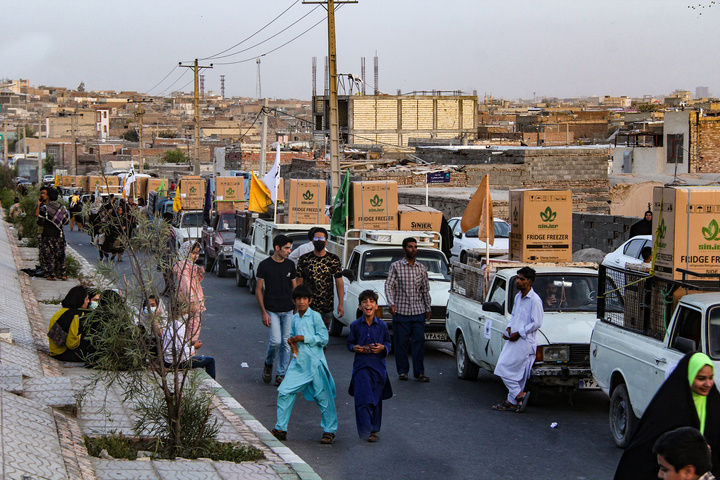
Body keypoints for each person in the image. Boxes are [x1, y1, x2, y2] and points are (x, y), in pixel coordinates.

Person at [615, 352, 720, 480]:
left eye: (711, 378)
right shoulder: (667, 410)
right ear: (688, 377)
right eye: (701, 378)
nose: (708, 384)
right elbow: (641, 456)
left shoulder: (714, 405)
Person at [271, 285, 338, 445]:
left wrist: (304, 338)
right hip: (298, 363)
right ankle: (281, 428)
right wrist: (292, 339)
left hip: (315, 364)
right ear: (294, 301)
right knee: (284, 391)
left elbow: (323, 338)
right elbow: (293, 336)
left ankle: (329, 430)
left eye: (304, 299)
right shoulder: (294, 318)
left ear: (310, 301)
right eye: (298, 299)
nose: (301, 302)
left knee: (323, 397)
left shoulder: (315, 317)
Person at [492, 266, 543, 412]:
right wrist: (508, 328)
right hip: (514, 337)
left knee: (502, 367)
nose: (518, 281)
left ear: (530, 282)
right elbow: (514, 316)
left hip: (525, 340)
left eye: (522, 279)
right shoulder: (517, 297)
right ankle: (512, 400)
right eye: (518, 278)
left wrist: (519, 332)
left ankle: (520, 395)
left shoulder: (535, 300)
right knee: (516, 373)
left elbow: (537, 323)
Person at [347, 289, 392, 442]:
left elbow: (388, 344)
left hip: (378, 368)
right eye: (365, 302)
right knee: (362, 398)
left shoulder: (382, 326)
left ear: (376, 306)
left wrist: (382, 348)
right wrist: (355, 348)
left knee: (375, 399)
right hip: (361, 367)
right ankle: (365, 430)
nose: (368, 304)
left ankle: (374, 429)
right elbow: (349, 343)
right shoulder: (355, 325)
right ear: (360, 306)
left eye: (371, 301)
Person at [385, 237, 431, 382]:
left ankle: (419, 372)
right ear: (404, 249)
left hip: (418, 312)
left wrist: (428, 308)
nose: (413, 249)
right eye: (410, 247)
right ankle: (403, 371)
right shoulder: (396, 267)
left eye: (415, 247)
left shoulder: (421, 268)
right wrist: (391, 303)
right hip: (401, 312)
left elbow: (425, 290)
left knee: (419, 343)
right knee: (401, 343)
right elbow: (388, 286)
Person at [257, 234, 297, 386]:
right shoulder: (264, 265)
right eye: (286, 248)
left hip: (288, 310)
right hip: (271, 309)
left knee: (286, 343)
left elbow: (294, 288)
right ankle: (268, 364)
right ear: (277, 248)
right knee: (275, 341)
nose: (289, 251)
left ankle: (281, 374)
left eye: (289, 248)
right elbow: (259, 289)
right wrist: (263, 312)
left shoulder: (290, 265)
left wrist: (297, 308)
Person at [296, 227, 344, 329]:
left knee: (323, 337)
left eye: (321, 239)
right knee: (307, 335)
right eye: (316, 239)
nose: (319, 241)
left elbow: (339, 282)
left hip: (326, 306)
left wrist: (340, 304)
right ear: (312, 241)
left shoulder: (333, 259)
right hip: (308, 306)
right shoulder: (304, 259)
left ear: (326, 242)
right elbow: (299, 283)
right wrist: (298, 304)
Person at [162, 307, 216, 379]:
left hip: (167, 360)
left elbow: (176, 345)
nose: (186, 315)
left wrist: (189, 344)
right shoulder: (180, 327)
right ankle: (211, 385)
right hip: (177, 362)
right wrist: (194, 347)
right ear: (176, 315)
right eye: (183, 313)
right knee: (210, 361)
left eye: (186, 313)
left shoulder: (168, 326)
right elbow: (181, 351)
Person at [173, 241, 206, 343]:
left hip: (193, 300)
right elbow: (186, 284)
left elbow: (194, 281)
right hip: (188, 301)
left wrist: (198, 273)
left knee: (193, 324)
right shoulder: (182, 266)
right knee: (188, 325)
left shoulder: (190, 265)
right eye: (193, 253)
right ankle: (188, 347)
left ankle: (189, 346)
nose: (195, 256)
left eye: (197, 253)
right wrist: (191, 301)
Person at [48, 285, 89, 362]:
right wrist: (83, 336)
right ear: (80, 300)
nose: (88, 302)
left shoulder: (63, 311)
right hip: (61, 353)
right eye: (86, 299)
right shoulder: (75, 315)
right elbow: (71, 344)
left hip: (54, 351)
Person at [38, 187, 70, 281]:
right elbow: (66, 221)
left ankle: (52, 275)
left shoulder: (45, 208)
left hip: (47, 235)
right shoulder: (62, 208)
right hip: (59, 235)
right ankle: (63, 274)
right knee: (61, 256)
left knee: (49, 255)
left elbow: (40, 221)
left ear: (48, 196)